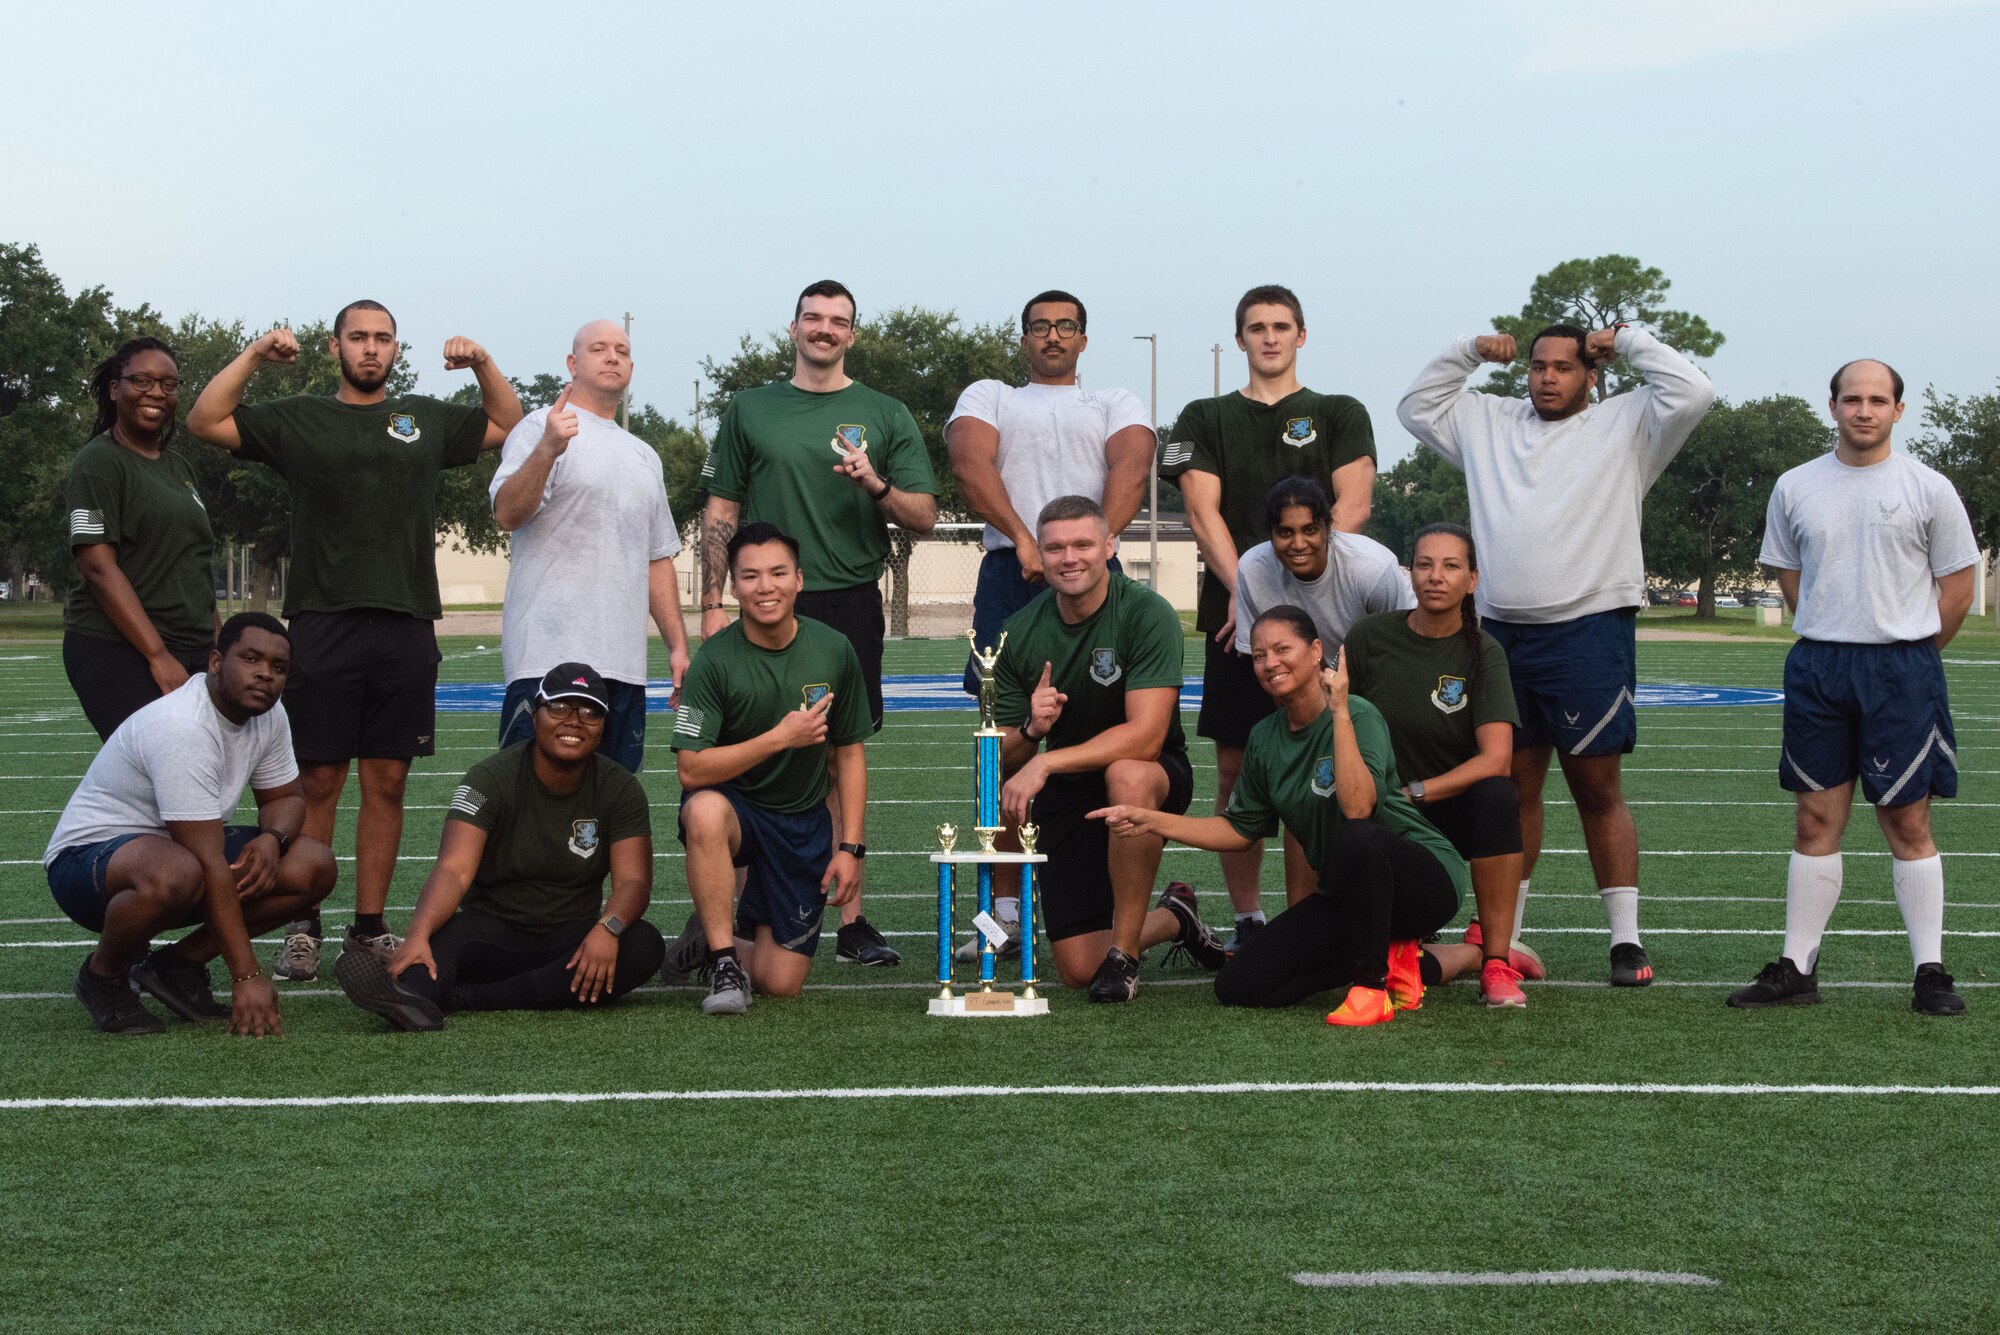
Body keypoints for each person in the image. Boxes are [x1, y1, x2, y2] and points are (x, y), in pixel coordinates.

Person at [186, 301, 524, 980]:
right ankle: (301, 918)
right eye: (358, 338)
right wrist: (254, 355)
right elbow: (204, 419)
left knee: (389, 779)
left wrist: (482, 362)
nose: (371, 348)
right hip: (322, 621)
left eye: (383, 339)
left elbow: (508, 424)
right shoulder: (301, 416)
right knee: (317, 778)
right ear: (336, 346)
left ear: (397, 349)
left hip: (404, 621)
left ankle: (368, 927)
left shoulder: (423, 417)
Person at [1397, 319, 1715, 987]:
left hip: (1590, 628)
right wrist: (1467, 351)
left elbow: (1693, 391)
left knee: (1598, 787)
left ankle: (1625, 939)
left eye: (1565, 367)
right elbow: (1415, 407)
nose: (1548, 377)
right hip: (1501, 633)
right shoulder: (1489, 422)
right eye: (1539, 365)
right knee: (1512, 790)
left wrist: (1628, 338)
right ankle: (1502, 934)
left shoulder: (1628, 424)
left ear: (1591, 375)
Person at [698, 279, 938, 966]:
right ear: (794, 327)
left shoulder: (885, 412)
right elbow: (721, 509)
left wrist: (877, 486)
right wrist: (711, 603)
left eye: (838, 320)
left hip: (846, 599)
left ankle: (851, 918)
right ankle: (736, 921)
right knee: (748, 752)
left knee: (838, 754)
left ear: (853, 334)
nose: (825, 329)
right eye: (814, 317)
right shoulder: (750, 407)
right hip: (763, 600)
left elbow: (922, 512)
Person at [1728, 359, 1978, 1016]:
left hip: (1901, 668)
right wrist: (1834, 624)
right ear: (1832, 406)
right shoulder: (1795, 486)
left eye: (1877, 399)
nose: (1863, 410)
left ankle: (1930, 970)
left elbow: (1957, 587)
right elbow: (1788, 571)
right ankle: (1797, 967)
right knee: (1813, 819)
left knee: (1907, 819)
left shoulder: (1928, 488)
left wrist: (1911, 648)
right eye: (1852, 399)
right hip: (1819, 668)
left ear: (1898, 410)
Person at [1095, 606, 1470, 1025]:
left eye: (1281, 649)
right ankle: (1410, 959)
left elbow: (1358, 808)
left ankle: (1372, 987)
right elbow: (1240, 830)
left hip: (1424, 879)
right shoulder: (1264, 737)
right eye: (1258, 655)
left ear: (1314, 651)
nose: (1270, 662)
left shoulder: (1359, 714)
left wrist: (1340, 711)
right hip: (1350, 897)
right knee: (1239, 986)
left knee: (1356, 835)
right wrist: (1150, 819)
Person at [1159, 284, 1378, 953]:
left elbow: (1355, 504)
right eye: (1256, 327)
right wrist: (1251, 596)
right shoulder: (1203, 415)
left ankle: (1311, 918)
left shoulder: (1340, 410)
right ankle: (1251, 918)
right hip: (1238, 615)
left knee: (1328, 769)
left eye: (1282, 326)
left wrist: (1302, 586)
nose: (1270, 337)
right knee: (1237, 768)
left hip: (1329, 617)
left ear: (1302, 335)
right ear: (1241, 338)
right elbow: (1202, 513)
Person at [944, 289, 1154, 958]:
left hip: (1097, 577)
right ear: (1025, 338)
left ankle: (1109, 904)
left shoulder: (1114, 401)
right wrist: (1024, 538)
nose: (1054, 337)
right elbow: (969, 461)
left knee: (1112, 739)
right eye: (1041, 327)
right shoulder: (990, 396)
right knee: (1004, 744)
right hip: (1012, 575)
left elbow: (1132, 463)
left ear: (1084, 340)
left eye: (1067, 327)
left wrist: (1092, 548)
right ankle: (1002, 912)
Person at [42, 613, 336, 1035]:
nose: (264, 674)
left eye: (278, 667)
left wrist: (273, 838)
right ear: (216, 662)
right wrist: (246, 976)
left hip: (180, 852)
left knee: (312, 863)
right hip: (87, 862)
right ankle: (101, 975)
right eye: (250, 659)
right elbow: (207, 859)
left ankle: (178, 966)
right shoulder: (183, 725)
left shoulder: (269, 715)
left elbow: (286, 798)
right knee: (179, 871)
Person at [334, 662, 666, 1031]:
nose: (574, 721)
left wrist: (607, 929)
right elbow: (453, 869)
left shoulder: (620, 788)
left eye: (590, 712)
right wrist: (418, 934)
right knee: (423, 968)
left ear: (603, 726)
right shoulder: (489, 778)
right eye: (559, 707)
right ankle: (411, 994)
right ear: (535, 713)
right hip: (491, 931)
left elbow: (634, 881)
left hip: (573, 934)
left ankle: (468, 998)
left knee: (643, 945)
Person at [990, 495, 1224, 1002]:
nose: (1069, 557)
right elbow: (1000, 758)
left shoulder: (1146, 613)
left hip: (1154, 773)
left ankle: (1124, 958)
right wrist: (1032, 729)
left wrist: (1047, 758)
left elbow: (1147, 737)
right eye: (1055, 547)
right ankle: (1175, 918)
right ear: (1039, 554)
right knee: (1076, 968)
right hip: (1070, 787)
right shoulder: (1019, 632)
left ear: (1110, 546)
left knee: (1127, 773)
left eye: (1082, 544)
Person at [669, 523, 874, 1014]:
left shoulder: (833, 649)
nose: (766, 587)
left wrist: (850, 849)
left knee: (781, 983)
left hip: (800, 819)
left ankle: (706, 944)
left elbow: (849, 752)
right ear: (734, 587)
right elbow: (691, 770)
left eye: (778, 573)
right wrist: (779, 738)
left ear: (799, 580)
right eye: (751, 576)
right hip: (737, 810)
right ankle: (723, 961)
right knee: (703, 811)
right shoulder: (713, 662)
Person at [1345, 522, 1539, 1007]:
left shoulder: (1483, 650)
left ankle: (1494, 960)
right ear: (1410, 573)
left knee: (1499, 795)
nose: (1436, 576)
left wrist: (1417, 792)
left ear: (1472, 580)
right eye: (1425, 564)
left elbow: (1496, 758)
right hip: (1381, 815)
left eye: (1451, 566)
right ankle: (1447, 955)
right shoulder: (1370, 637)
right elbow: (1337, 721)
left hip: (1442, 812)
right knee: (1362, 964)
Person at [490, 320, 691, 772]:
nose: (612, 356)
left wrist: (677, 647)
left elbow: (657, 558)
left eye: (621, 349)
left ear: (632, 367)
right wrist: (548, 449)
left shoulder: (644, 455)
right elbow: (507, 514)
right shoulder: (540, 427)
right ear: (572, 363)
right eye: (599, 348)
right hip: (546, 659)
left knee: (611, 807)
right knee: (532, 807)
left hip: (624, 666)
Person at [62, 337, 218, 741]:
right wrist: (157, 655)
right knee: (156, 776)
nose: (157, 393)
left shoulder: (179, 467)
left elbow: (194, 563)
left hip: (194, 647)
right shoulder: (99, 461)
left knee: (198, 777)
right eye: (143, 381)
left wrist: (219, 646)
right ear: (116, 389)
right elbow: (97, 566)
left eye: (169, 384)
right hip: (120, 650)